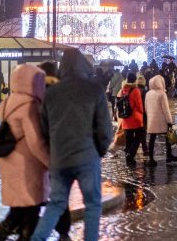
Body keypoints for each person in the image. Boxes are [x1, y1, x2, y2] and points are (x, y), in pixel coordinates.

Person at [30, 47, 112, 241]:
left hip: (60, 158)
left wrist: (55, 150)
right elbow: (104, 129)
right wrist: (98, 151)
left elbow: (43, 127)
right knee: (92, 204)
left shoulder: (52, 93)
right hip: (87, 156)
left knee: (56, 204)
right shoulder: (94, 89)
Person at [0, 64, 67, 241]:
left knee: (20, 210)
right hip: (28, 167)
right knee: (27, 211)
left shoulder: (6, 102)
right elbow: (35, 142)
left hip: (9, 163)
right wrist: (51, 163)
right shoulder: (30, 106)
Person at [144, 74, 177, 165]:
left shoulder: (148, 94)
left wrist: (149, 117)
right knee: (168, 137)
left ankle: (151, 158)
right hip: (162, 120)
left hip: (151, 120)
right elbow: (166, 109)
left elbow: (146, 108)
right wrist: (169, 121)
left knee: (152, 138)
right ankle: (169, 155)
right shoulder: (162, 94)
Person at [118, 73, 145, 165]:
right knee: (138, 137)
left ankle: (128, 157)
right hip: (135, 118)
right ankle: (130, 154)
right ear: (135, 80)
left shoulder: (123, 89)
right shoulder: (136, 90)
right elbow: (139, 105)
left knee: (129, 138)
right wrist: (142, 113)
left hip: (126, 117)